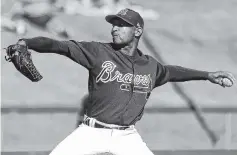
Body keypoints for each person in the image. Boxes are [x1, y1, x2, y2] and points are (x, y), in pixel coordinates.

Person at [9, 8, 235, 155]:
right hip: (90, 133)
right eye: (114, 23)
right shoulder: (98, 51)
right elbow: (60, 46)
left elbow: (171, 71)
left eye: (122, 24)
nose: (114, 28)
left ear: (137, 30)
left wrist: (207, 75)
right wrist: (26, 42)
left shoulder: (150, 66)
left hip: (127, 136)